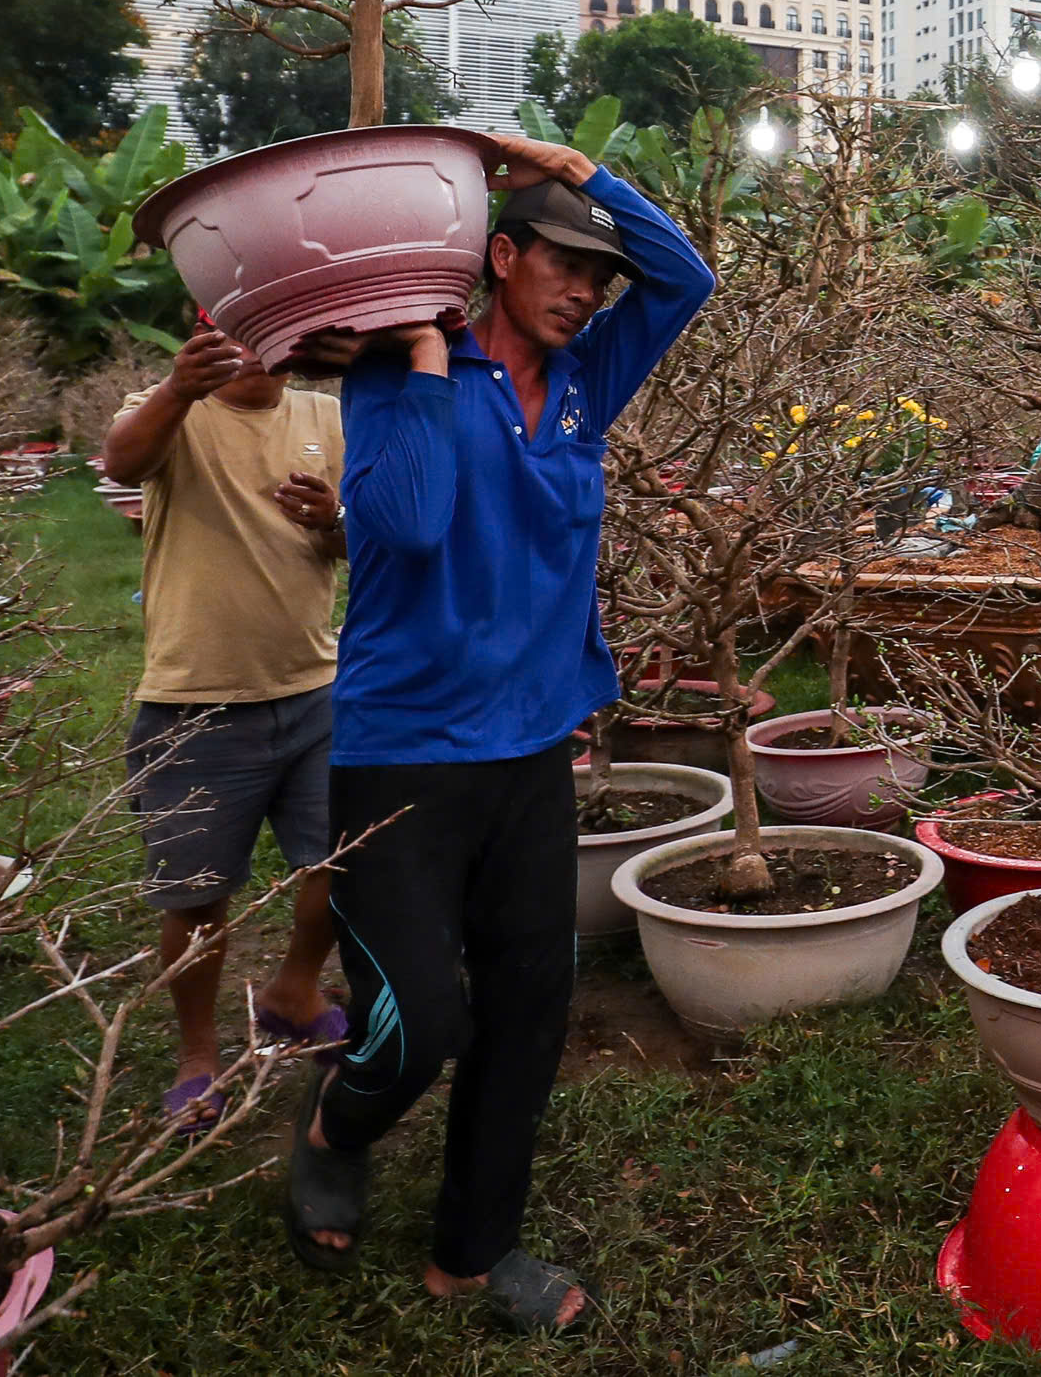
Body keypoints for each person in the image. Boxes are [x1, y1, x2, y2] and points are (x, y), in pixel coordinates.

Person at [284, 133, 713, 1334]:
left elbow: (686, 276)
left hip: (531, 751)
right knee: (420, 1018)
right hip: (401, 746)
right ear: (500, 256)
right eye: (564, 266)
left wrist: (571, 167)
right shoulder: (389, 371)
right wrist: (424, 356)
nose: (586, 292)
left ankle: (470, 1255)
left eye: (597, 278)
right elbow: (408, 531)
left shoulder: (590, 379)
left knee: (527, 1015)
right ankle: (338, 1120)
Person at [102, 321, 350, 1134]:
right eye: (230, 332)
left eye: (269, 331)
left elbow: (361, 541)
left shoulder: (327, 416)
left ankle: (295, 989)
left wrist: (332, 520)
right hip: (195, 702)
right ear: (200, 338)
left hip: (315, 690)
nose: (255, 349)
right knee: (197, 893)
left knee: (341, 865)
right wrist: (178, 387)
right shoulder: (174, 408)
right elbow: (121, 464)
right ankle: (198, 1054)